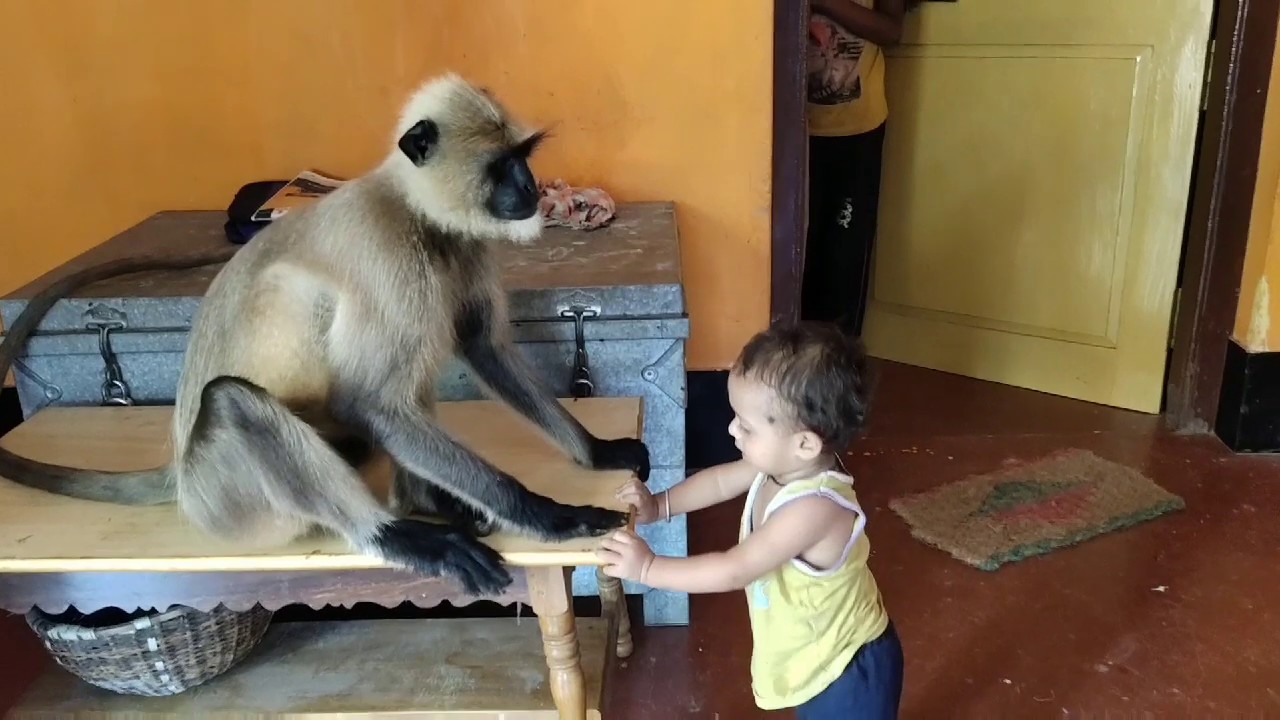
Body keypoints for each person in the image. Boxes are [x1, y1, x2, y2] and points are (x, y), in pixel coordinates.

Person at [597, 322, 903, 719]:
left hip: (848, 666)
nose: (731, 429)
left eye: (746, 425)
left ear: (805, 444)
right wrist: (659, 505)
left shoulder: (814, 508)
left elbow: (733, 569)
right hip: (814, 654)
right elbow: (721, 481)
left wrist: (649, 567)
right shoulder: (777, 464)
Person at [802, 0, 919, 337]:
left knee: (844, 257)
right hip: (788, 130)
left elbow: (891, 30)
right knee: (793, 256)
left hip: (856, 131)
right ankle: (790, 372)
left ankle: (836, 368)